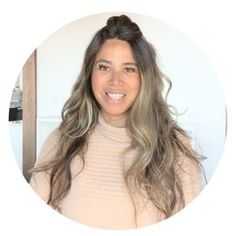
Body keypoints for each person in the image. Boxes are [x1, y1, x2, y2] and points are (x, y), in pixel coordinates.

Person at [30, 15, 202, 229]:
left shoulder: (175, 147)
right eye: (104, 67)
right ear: (90, 73)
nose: (115, 81)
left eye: (129, 69)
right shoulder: (60, 141)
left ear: (144, 78)